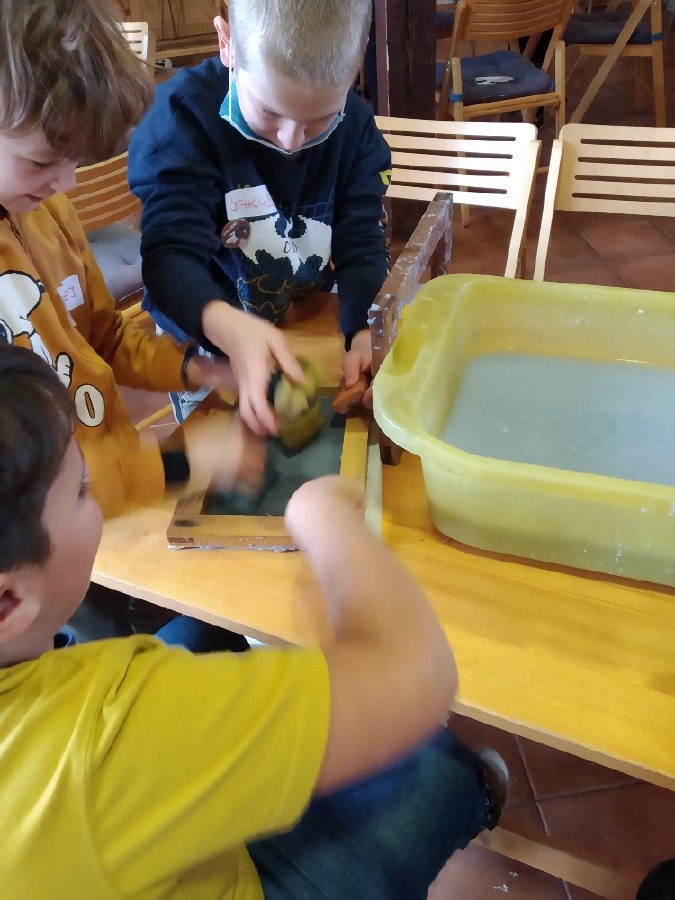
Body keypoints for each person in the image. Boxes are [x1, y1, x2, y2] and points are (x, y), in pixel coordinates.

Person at [0, 342, 506, 899]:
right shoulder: (109, 732)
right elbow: (416, 675)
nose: (94, 494)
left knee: (200, 633)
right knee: (436, 766)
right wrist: (325, 520)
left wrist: (182, 451)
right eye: (81, 489)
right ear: (7, 602)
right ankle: (474, 793)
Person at [0, 0, 261, 522]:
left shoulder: (43, 210)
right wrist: (177, 464)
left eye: (75, 160)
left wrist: (199, 368)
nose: (68, 184)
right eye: (42, 161)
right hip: (49, 537)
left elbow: (104, 338)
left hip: (105, 503)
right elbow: (25, 494)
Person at [128, 0, 391, 430]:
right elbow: (170, 254)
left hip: (295, 321)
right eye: (269, 111)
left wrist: (364, 329)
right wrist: (225, 326)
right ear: (227, 44)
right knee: (223, 442)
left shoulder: (357, 128)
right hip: (203, 335)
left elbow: (361, 243)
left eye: (322, 119)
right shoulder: (182, 118)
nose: (291, 141)